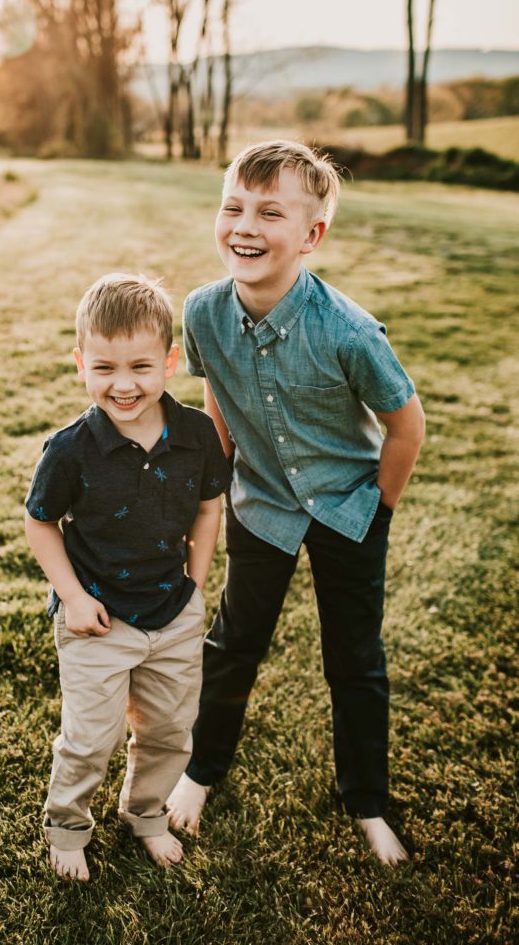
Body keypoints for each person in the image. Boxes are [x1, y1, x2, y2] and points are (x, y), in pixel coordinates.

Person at [166, 140, 426, 865]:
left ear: (310, 235)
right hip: (263, 505)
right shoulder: (202, 313)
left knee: (354, 658)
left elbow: (406, 425)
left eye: (269, 212)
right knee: (232, 643)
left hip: (349, 507)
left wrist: (379, 509)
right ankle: (200, 770)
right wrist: (219, 476)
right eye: (233, 207)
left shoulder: (347, 330)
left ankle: (366, 801)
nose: (244, 225)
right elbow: (215, 386)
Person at [24, 273, 231, 881]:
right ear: (80, 362)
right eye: (104, 368)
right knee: (91, 737)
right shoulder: (70, 450)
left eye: (140, 366)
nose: (123, 385)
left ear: (169, 361)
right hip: (98, 618)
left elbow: (210, 505)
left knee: (170, 731)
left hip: (173, 611)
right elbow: (40, 524)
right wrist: (73, 598)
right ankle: (67, 825)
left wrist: (195, 582)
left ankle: (145, 814)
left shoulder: (195, 435)